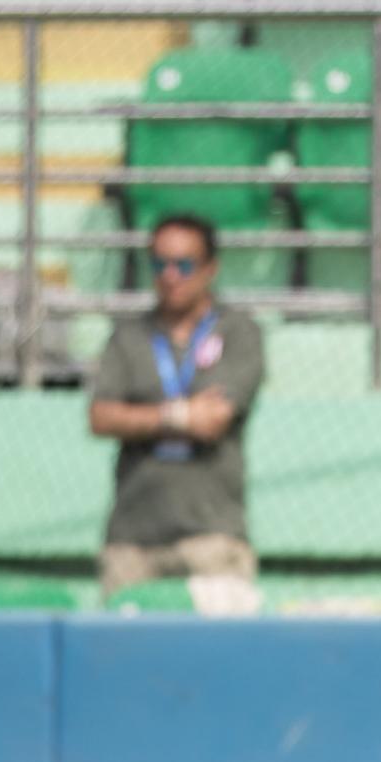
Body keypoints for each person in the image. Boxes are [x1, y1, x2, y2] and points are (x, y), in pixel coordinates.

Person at [89, 214, 265, 613]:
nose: (171, 275)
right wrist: (181, 416)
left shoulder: (238, 331)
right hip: (133, 538)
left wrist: (138, 415)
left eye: (184, 264)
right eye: (159, 264)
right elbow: (100, 417)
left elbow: (214, 420)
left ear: (209, 269)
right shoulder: (128, 336)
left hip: (212, 535)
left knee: (223, 659)